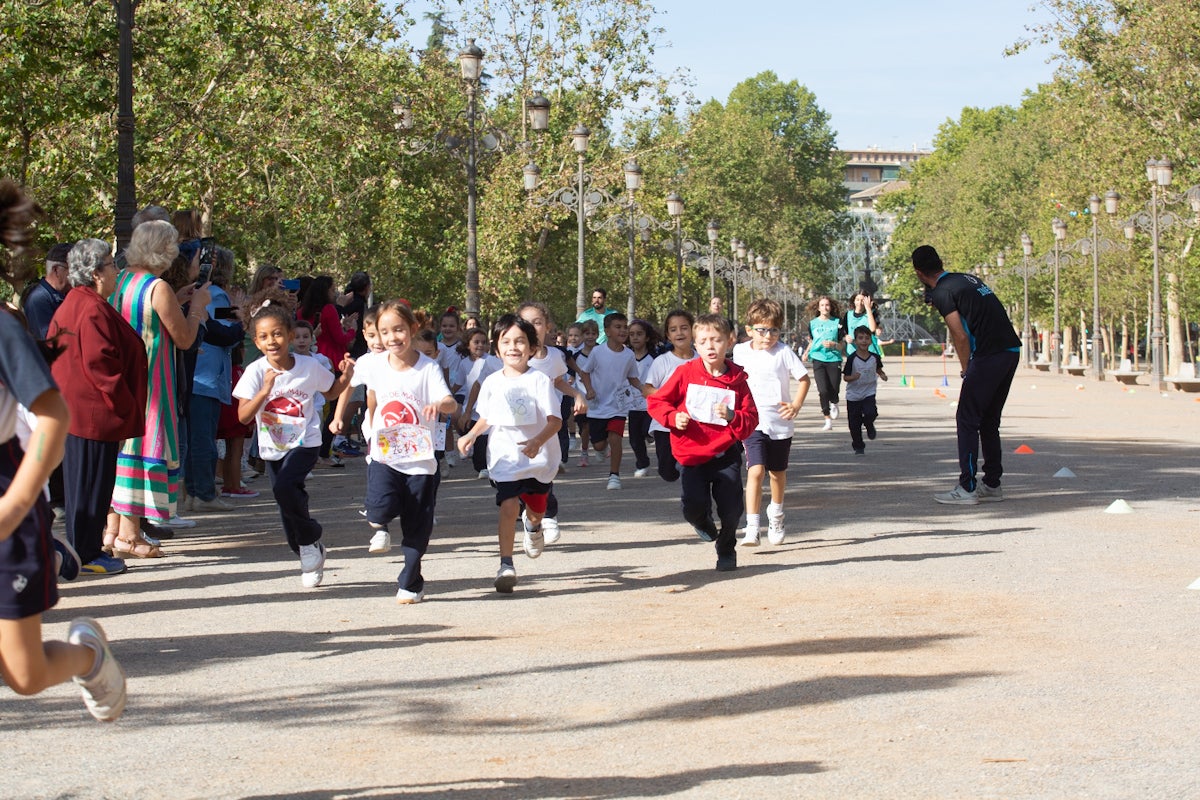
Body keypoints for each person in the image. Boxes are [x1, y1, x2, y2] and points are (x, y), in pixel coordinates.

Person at [0, 178, 126, 721]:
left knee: (24, 675)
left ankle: (89, 656)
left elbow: (53, 417)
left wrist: (15, 505)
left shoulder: (3, 328)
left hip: (8, 497)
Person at [234, 298, 354, 588]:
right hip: (273, 446)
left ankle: (310, 537)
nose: (271, 341)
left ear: (289, 335)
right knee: (285, 499)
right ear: (256, 341)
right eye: (264, 336)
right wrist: (264, 390)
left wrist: (346, 376)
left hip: (305, 441)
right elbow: (243, 416)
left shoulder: (308, 366)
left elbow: (331, 391)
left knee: (285, 487)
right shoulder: (255, 371)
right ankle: (308, 549)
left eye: (277, 334)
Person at [109, 220, 211, 557]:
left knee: (124, 452)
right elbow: (184, 339)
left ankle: (113, 531)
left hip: (123, 380)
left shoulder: (119, 280)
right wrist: (197, 308)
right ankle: (131, 535)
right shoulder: (157, 287)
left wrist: (178, 301)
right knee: (146, 449)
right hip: (153, 381)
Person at [46, 238, 148, 576]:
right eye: (111, 265)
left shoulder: (80, 303)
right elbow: (100, 366)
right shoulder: (88, 307)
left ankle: (85, 550)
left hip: (82, 412)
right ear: (95, 273)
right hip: (92, 414)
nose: (116, 271)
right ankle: (86, 554)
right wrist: (124, 407)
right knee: (89, 488)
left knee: (88, 487)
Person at [351, 300, 455, 602]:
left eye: (398, 330)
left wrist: (439, 404)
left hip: (420, 461)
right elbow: (356, 390)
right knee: (379, 509)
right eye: (384, 332)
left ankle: (411, 581)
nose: (391, 337)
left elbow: (450, 402)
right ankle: (381, 517)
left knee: (416, 526)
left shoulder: (428, 367)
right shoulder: (374, 365)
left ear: (412, 329)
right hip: (385, 455)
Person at [457, 315, 562, 594]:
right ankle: (506, 565)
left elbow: (555, 421)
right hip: (505, 456)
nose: (513, 347)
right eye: (506, 342)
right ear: (496, 348)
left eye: (520, 341)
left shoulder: (539, 380)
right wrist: (471, 435)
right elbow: (487, 418)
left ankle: (534, 527)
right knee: (508, 505)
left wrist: (538, 441)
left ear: (532, 348)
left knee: (537, 511)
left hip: (538, 460)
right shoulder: (492, 382)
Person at [647, 314, 758, 571]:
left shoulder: (737, 380)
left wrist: (733, 416)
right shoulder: (685, 373)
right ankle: (701, 520)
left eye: (716, 340)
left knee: (732, 509)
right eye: (704, 341)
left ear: (729, 342)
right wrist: (673, 417)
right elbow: (657, 401)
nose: (710, 346)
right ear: (695, 344)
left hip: (725, 453)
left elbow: (751, 418)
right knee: (692, 507)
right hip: (691, 454)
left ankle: (726, 549)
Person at [912, 244, 1021, 505]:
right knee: (989, 420)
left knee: (967, 419)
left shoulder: (942, 291)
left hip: (987, 355)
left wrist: (966, 369)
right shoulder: (966, 279)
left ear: (918, 272)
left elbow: (958, 335)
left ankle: (967, 487)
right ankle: (992, 484)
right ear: (940, 262)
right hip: (1010, 350)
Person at [732, 298, 810, 547]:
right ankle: (752, 526)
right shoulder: (739, 351)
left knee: (777, 473)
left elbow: (804, 379)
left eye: (774, 330)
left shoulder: (783, 352)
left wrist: (796, 405)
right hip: (752, 422)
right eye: (762, 330)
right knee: (755, 470)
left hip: (780, 423)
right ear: (749, 330)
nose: (768, 336)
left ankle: (776, 514)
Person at [517, 302, 587, 543]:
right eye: (526, 323)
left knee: (544, 471)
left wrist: (577, 394)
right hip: (518, 427)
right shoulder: (513, 355)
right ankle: (529, 514)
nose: (532, 327)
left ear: (547, 326)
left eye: (537, 322)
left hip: (547, 426)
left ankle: (548, 516)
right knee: (517, 477)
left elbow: (558, 381)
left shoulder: (555, 356)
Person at [187, 246, 245, 511]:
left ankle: (193, 492)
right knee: (203, 439)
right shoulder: (215, 294)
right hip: (206, 375)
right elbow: (223, 332)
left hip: (199, 373)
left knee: (197, 439)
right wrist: (242, 323)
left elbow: (220, 321)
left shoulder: (205, 295)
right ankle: (203, 493)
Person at [577, 312, 640, 491]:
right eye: (617, 327)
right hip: (598, 406)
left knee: (615, 438)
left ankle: (614, 476)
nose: (623, 331)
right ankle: (600, 448)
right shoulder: (598, 352)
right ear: (607, 331)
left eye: (625, 327)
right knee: (599, 445)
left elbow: (632, 377)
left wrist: (644, 389)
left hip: (618, 406)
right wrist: (589, 389)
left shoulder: (629, 355)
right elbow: (585, 372)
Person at [642, 310, 696, 483]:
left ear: (693, 331)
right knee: (667, 472)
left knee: (694, 469)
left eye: (684, 328)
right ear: (668, 335)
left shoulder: (702, 360)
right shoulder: (662, 361)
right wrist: (668, 396)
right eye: (673, 329)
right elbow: (647, 389)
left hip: (694, 423)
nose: (679, 333)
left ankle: (693, 486)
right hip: (665, 425)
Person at [453, 328, 501, 479]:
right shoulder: (464, 363)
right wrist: (447, 393)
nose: (480, 345)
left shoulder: (490, 361)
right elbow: (459, 383)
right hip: (471, 404)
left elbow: (480, 384)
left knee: (483, 438)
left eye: (483, 342)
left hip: (487, 406)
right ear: (468, 344)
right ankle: (472, 452)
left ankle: (484, 467)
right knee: (466, 427)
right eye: (476, 342)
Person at [843, 326, 887, 455]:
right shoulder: (852, 358)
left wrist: (882, 374)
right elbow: (845, 377)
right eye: (860, 338)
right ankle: (858, 446)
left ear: (871, 341)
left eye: (867, 338)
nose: (864, 341)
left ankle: (869, 424)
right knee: (854, 424)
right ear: (855, 341)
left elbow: (878, 369)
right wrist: (853, 377)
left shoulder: (875, 357)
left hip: (869, 392)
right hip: (853, 395)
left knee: (871, 412)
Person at [803, 295, 845, 431]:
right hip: (818, 358)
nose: (825, 307)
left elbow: (842, 344)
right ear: (818, 308)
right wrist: (806, 352)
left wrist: (834, 345)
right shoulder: (813, 323)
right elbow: (812, 341)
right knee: (823, 390)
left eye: (827, 305)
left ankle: (835, 402)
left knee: (834, 388)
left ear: (831, 307)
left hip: (834, 358)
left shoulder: (837, 322)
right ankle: (827, 419)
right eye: (822, 305)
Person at [626, 318, 661, 478]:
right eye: (632, 334)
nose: (635, 337)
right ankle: (642, 464)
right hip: (632, 405)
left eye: (639, 334)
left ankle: (650, 436)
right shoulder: (626, 357)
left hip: (651, 404)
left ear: (647, 337)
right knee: (634, 440)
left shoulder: (655, 358)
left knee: (647, 430)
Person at [22, 242, 72, 339]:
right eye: (72, 269)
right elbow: (49, 341)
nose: (76, 275)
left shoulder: (64, 295)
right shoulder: (38, 299)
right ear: (56, 270)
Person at [843, 291, 882, 357]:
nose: (860, 303)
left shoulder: (871, 313)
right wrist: (846, 337)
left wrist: (868, 309)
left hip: (870, 352)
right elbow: (844, 332)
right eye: (857, 300)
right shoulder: (848, 315)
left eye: (862, 300)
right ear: (854, 301)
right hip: (853, 352)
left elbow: (872, 329)